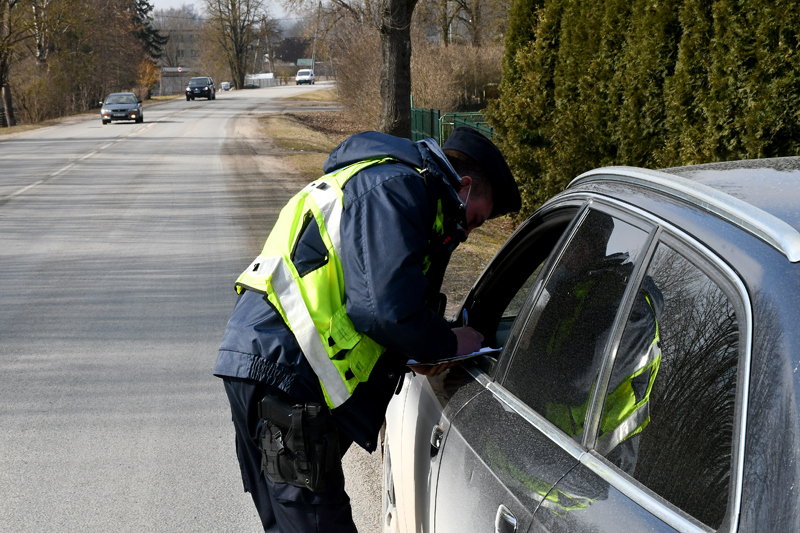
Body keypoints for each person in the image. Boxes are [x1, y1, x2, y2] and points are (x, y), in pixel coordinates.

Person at [214, 126, 521, 532]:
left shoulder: (379, 179)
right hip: (286, 369)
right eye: (477, 218)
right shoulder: (398, 188)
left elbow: (368, 294)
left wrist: (413, 351)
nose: (468, 232)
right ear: (463, 186)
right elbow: (384, 309)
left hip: (260, 357)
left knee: (289, 523)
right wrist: (447, 342)